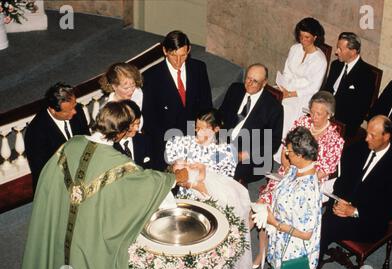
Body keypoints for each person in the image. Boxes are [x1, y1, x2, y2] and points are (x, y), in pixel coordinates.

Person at [19, 101, 188, 269]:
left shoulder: (69, 145)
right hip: (88, 239)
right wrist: (175, 178)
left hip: (60, 226)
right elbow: (145, 184)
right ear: (120, 133)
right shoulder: (120, 164)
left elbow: (46, 183)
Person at [250, 91, 344, 269]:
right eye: (312, 111)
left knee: (276, 212)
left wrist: (294, 177)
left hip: (307, 186)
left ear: (329, 115)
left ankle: (276, 256)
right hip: (286, 175)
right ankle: (262, 251)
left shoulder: (335, 140)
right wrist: (288, 170)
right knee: (261, 205)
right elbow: (287, 151)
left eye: (319, 113)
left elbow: (322, 172)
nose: (313, 117)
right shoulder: (302, 122)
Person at [166, 109, 252, 269]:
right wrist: (182, 173)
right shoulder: (184, 143)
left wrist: (197, 183)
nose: (198, 133)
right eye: (196, 128)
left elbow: (223, 185)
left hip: (209, 202)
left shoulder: (223, 152)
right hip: (186, 198)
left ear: (216, 129)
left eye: (204, 130)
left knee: (204, 241)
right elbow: (174, 169)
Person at [319, 115, 392, 257]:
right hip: (343, 206)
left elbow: (388, 212)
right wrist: (339, 201)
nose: (367, 138)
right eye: (367, 133)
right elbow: (342, 181)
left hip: (368, 221)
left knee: (324, 228)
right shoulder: (358, 148)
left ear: (386, 137)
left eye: (372, 136)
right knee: (315, 219)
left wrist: (354, 211)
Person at [251, 127, 322, 269]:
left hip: (294, 255)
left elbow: (306, 234)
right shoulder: (295, 170)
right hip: (282, 243)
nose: (286, 153)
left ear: (300, 155)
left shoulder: (308, 191)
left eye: (289, 151)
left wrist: (274, 222)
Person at [142, 30, 213, 171]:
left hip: (195, 135)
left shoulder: (199, 68)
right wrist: (173, 146)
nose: (179, 61)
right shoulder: (151, 77)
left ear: (189, 50)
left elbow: (206, 105)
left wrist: (201, 135)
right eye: (173, 56)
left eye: (183, 55)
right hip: (166, 140)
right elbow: (150, 119)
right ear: (164, 51)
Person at [219, 63, 284, 184]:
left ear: (264, 83)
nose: (249, 83)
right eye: (248, 78)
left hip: (252, 154)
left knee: (230, 171)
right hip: (227, 143)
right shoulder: (235, 89)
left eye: (255, 81)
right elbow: (221, 115)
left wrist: (247, 154)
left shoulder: (274, 108)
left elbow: (274, 142)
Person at [274, 17, 327, 163]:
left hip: (304, 96)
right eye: (301, 36)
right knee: (270, 99)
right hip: (287, 88)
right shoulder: (294, 49)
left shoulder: (320, 60)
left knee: (284, 108)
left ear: (315, 37)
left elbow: (313, 87)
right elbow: (287, 71)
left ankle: (281, 155)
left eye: (307, 37)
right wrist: (284, 87)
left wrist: (291, 94)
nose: (303, 40)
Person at [25, 82, 90, 191]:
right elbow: (45, 172)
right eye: (68, 111)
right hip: (56, 184)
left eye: (74, 106)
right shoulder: (35, 133)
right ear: (53, 110)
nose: (74, 112)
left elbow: (86, 140)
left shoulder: (76, 109)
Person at [322, 32, 376, 137]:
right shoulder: (336, 65)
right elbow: (326, 91)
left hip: (344, 124)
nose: (336, 52)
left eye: (340, 49)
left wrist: (334, 122)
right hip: (325, 115)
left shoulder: (366, 75)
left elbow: (360, 110)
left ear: (353, 51)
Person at [113, 100, 152, 169]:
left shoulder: (144, 140)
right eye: (133, 124)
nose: (137, 128)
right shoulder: (111, 147)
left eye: (138, 123)